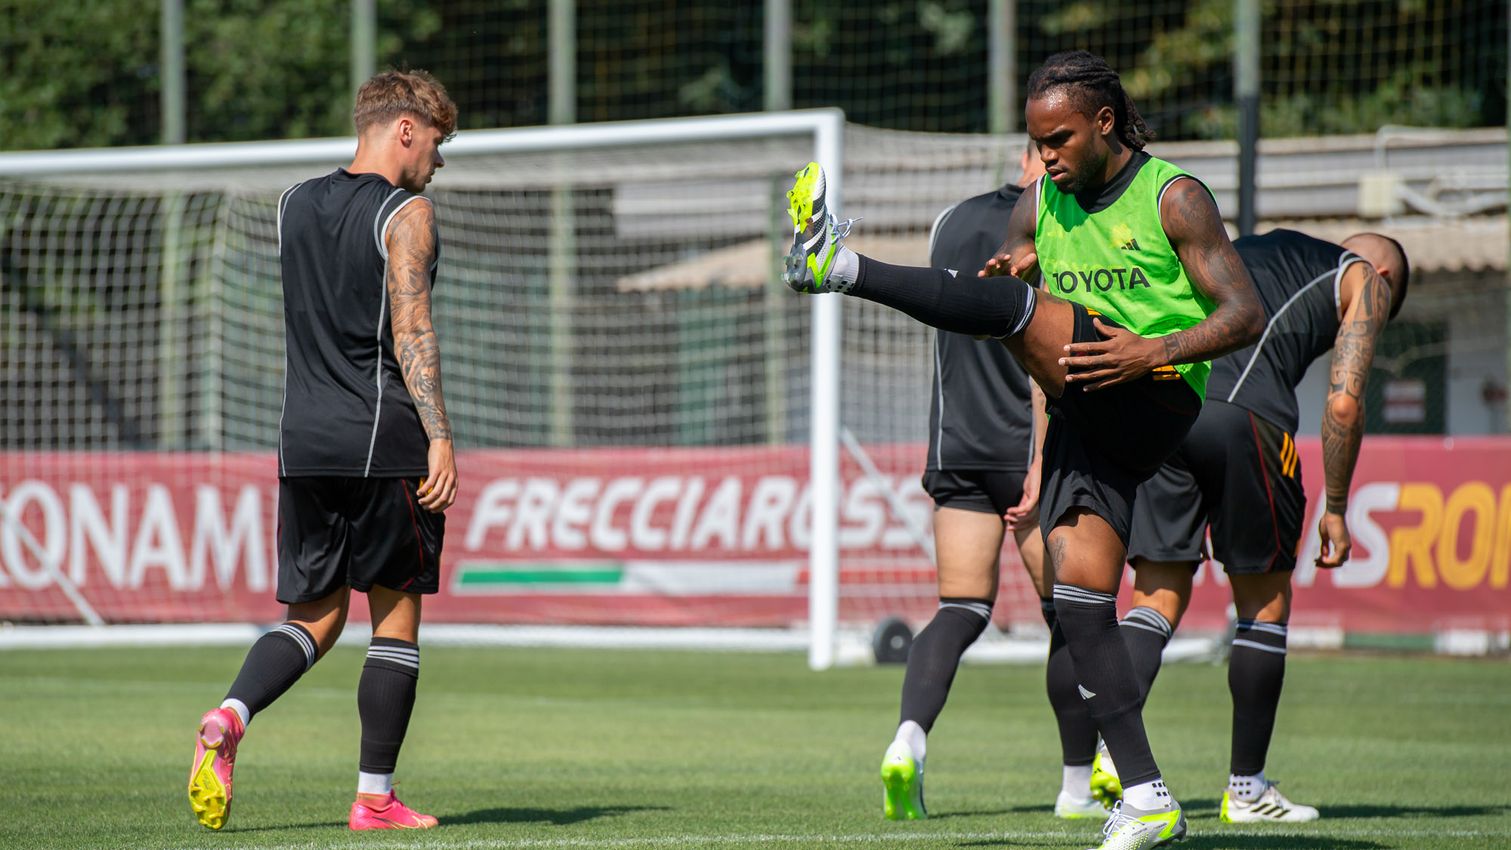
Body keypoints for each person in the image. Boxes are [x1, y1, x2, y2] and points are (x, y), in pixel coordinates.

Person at [784, 50, 1264, 849]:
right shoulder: (1041, 200)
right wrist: (1016, 260)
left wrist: (1154, 350)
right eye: (1036, 141)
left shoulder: (1172, 196)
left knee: (1013, 312)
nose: (1044, 158)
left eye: (1059, 140)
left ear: (1104, 124)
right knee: (1079, 605)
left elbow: (1243, 312)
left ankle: (839, 264)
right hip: (1081, 411)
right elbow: (1017, 259)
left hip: (1153, 390)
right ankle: (1146, 797)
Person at [186, 69, 459, 832]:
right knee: (394, 619)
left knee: (313, 614)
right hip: (384, 439)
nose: (440, 160)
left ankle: (232, 714)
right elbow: (411, 331)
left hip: (302, 439)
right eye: (439, 141)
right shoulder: (407, 211)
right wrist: (439, 434)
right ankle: (374, 796)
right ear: (406, 128)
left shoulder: (292, 205)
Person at [1088, 228, 1411, 823]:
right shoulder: (1367, 279)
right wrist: (1335, 508)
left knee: (1156, 593)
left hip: (1166, 410)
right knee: (1264, 605)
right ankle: (1247, 790)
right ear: (1386, 279)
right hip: (1248, 421)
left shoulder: (1255, 247)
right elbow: (1343, 403)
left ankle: (1116, 752)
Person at [880, 142, 1103, 822]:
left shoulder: (950, 219)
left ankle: (907, 741)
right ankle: (1075, 786)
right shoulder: (1060, 224)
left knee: (960, 606)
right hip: (1029, 447)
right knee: (1069, 615)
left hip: (956, 445)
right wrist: (1042, 458)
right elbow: (1053, 350)